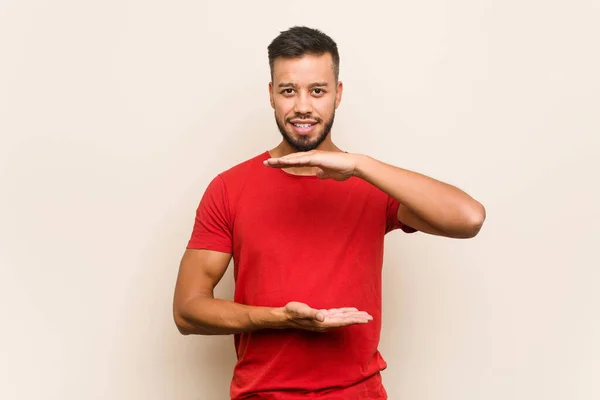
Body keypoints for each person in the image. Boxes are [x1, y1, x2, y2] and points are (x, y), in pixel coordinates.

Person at [172, 26, 486, 400]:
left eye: (317, 91)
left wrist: (357, 165)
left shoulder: (371, 182)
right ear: (272, 96)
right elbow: (188, 310)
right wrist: (281, 318)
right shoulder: (229, 188)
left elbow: (469, 218)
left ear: (337, 95)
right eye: (289, 91)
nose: (303, 106)